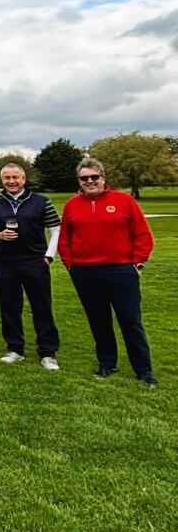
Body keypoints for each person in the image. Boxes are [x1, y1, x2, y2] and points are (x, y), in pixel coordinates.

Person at [59, 158, 156, 386]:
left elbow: (142, 235)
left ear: (103, 178)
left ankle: (144, 370)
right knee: (98, 321)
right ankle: (106, 364)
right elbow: (65, 240)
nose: (90, 181)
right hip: (85, 272)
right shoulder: (72, 204)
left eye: (95, 177)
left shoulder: (124, 201)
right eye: (85, 178)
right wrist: (71, 265)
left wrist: (137, 264)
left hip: (121, 271)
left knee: (130, 321)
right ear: (79, 181)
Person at [0, 163, 63, 370]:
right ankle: (15, 349)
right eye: (7, 178)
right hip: (6, 262)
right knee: (9, 307)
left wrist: (48, 257)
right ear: (2, 181)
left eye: (15, 177)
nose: (11, 181)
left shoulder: (41, 202)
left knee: (42, 306)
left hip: (35, 261)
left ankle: (48, 352)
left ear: (24, 179)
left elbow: (56, 230)